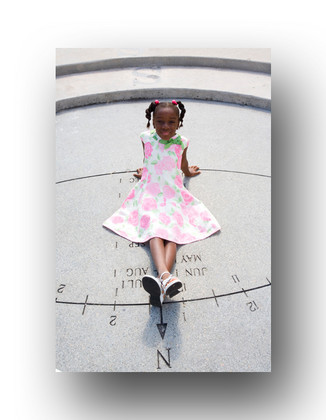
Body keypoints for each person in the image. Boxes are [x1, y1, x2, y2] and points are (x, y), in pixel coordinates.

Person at [103, 100, 220, 306]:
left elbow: (182, 163)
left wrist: (188, 172)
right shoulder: (146, 138)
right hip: (150, 190)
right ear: (153, 121)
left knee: (173, 233)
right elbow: (148, 158)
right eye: (160, 122)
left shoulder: (182, 142)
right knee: (155, 228)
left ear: (178, 122)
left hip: (172, 192)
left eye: (171, 122)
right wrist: (144, 171)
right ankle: (166, 278)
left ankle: (162, 280)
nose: (165, 127)